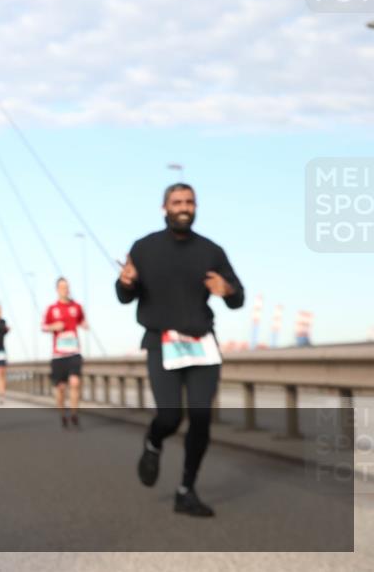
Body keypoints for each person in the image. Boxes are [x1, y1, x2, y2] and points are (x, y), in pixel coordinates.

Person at [117, 183, 243, 518]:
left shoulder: (211, 251)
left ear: (196, 206)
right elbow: (124, 295)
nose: (183, 207)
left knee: (201, 419)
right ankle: (153, 442)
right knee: (171, 417)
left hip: (202, 344)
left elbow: (238, 297)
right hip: (162, 343)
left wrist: (226, 288)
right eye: (177, 202)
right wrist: (126, 282)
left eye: (189, 201)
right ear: (164, 208)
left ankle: (186, 491)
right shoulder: (144, 248)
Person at [43, 278, 88, 428]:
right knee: (60, 389)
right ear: (57, 289)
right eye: (62, 287)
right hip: (58, 355)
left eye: (67, 287)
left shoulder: (77, 306)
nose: (65, 290)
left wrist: (84, 325)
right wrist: (53, 327)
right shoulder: (51, 309)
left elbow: (81, 320)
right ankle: (63, 414)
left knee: (75, 383)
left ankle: (74, 414)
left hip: (74, 352)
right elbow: (43, 326)